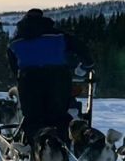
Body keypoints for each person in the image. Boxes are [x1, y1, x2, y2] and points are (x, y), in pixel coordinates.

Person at [7, 9, 91, 141]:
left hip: (29, 80)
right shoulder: (59, 36)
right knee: (58, 116)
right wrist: (85, 67)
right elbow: (82, 49)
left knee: (33, 117)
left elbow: (14, 68)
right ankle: (63, 147)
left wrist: (21, 79)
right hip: (58, 78)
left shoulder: (15, 42)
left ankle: (34, 150)